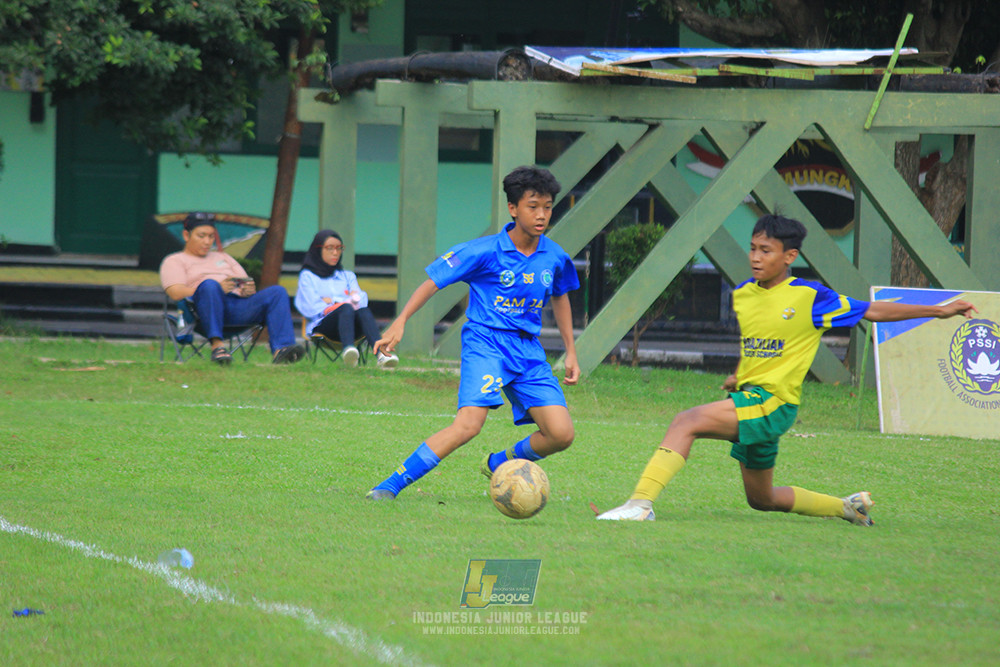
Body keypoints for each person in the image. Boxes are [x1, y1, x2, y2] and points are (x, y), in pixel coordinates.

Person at [597, 213, 978, 525]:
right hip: (750, 396)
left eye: (766, 250)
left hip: (774, 403)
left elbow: (874, 310)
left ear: (789, 255)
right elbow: (759, 347)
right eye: (752, 248)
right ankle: (847, 508)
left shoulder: (811, 298)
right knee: (762, 499)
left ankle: (640, 504)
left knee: (686, 421)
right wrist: (739, 375)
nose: (755, 257)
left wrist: (939, 310)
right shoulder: (744, 295)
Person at [366, 166, 581, 501]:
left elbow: (561, 295)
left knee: (561, 433)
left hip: (528, 350)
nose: (542, 215)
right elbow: (433, 282)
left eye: (548, 207)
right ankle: (389, 486)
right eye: (533, 206)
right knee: (468, 426)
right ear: (513, 209)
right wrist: (401, 321)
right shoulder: (482, 251)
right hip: (487, 344)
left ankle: (499, 462)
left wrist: (571, 350)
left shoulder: (554, 255)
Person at [159, 212, 305, 365]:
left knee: (277, 292)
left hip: (237, 309)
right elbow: (175, 292)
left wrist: (247, 289)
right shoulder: (174, 261)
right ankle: (217, 346)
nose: (207, 241)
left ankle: (282, 349)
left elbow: (243, 280)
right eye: (201, 236)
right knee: (210, 285)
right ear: (186, 235)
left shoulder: (223, 257)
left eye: (211, 236)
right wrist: (217, 288)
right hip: (202, 312)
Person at [295, 229, 398, 369]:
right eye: (329, 248)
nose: (335, 253)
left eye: (339, 248)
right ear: (317, 250)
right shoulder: (308, 276)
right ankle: (349, 351)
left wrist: (332, 302)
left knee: (363, 312)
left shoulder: (347, 276)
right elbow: (312, 307)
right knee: (346, 308)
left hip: (353, 325)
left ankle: (382, 355)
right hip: (324, 328)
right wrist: (345, 302)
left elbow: (361, 301)